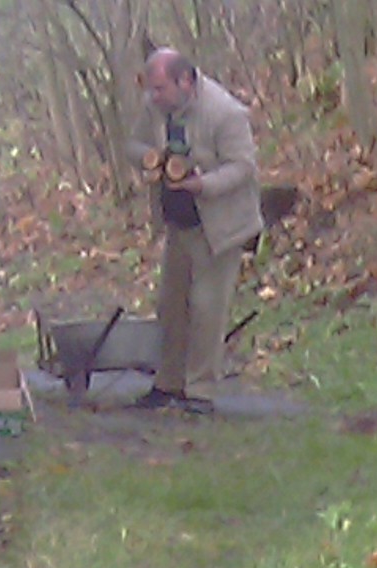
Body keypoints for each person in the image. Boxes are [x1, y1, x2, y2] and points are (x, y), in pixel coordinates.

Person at [122, 50, 262, 415]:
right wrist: (151, 158)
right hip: (179, 223)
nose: (153, 96)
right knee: (171, 306)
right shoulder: (155, 108)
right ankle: (168, 383)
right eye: (151, 89)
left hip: (220, 226)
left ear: (185, 81)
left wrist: (203, 184)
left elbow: (243, 167)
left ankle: (200, 391)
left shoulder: (225, 113)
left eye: (160, 88)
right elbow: (131, 145)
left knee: (206, 309)